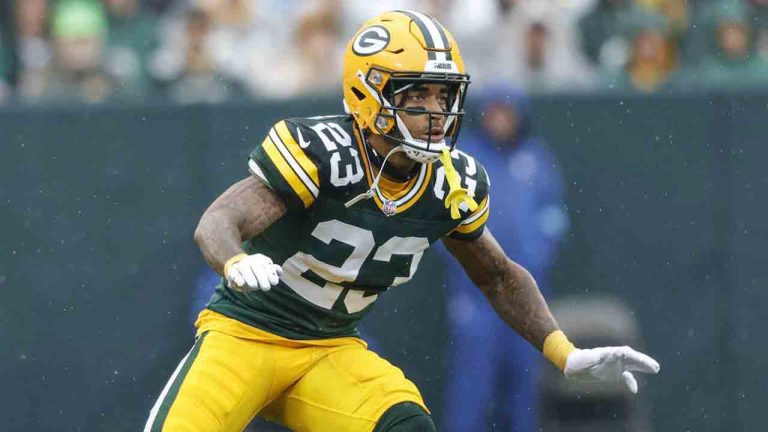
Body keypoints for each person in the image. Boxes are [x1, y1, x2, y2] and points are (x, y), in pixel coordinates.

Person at [145, 10, 660, 432]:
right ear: (371, 97)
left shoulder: (449, 182)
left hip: (328, 349)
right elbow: (217, 221)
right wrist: (235, 260)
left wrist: (564, 352)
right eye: (418, 98)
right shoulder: (322, 152)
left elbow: (498, 276)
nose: (436, 114)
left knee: (407, 426)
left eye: (444, 97)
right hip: (246, 336)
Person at [441, 86, 568, 432]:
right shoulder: (462, 159)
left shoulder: (537, 160)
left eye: (506, 112)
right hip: (474, 298)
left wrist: (538, 254)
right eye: (493, 112)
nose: (499, 120)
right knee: (471, 390)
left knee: (524, 392)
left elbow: (554, 216)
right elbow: (439, 219)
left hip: (526, 299)